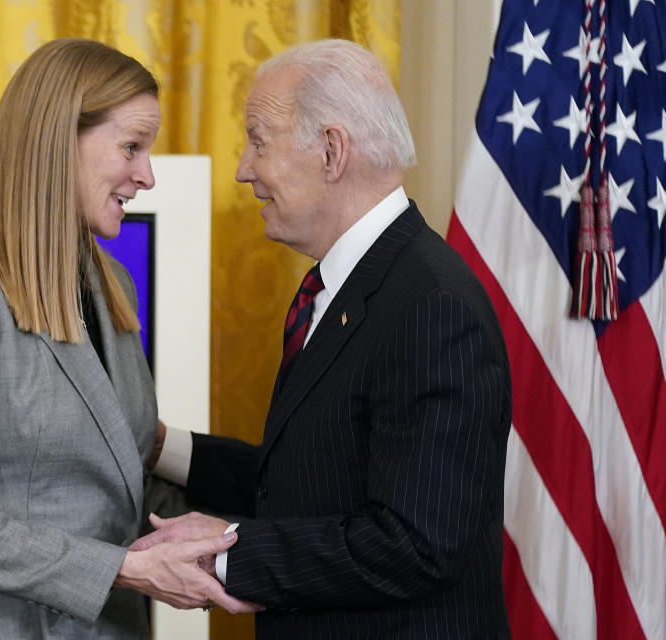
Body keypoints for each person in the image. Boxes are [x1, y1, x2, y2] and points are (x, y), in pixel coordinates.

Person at [0, 38, 250, 640]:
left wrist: (244, 541)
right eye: (131, 147)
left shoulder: (112, 284)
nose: (147, 175)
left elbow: (111, 481)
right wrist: (126, 569)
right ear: (56, 141)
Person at [139, 39, 512, 638]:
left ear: (331, 151)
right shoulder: (347, 286)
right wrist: (161, 447)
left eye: (259, 141)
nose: (243, 168)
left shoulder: (431, 306)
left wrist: (227, 556)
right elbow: (311, 482)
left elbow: (415, 542)